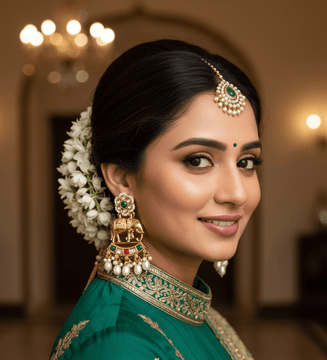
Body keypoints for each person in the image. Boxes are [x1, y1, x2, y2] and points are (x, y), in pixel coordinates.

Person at [51, 39, 262, 360]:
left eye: (246, 162)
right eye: (198, 160)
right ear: (121, 178)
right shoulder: (119, 344)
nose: (237, 194)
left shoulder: (198, 312)